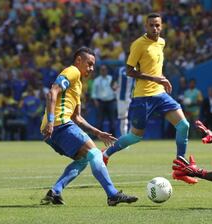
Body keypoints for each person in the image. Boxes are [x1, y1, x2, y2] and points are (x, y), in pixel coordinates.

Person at [102, 13, 196, 184]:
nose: (155, 28)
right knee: (136, 136)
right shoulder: (138, 44)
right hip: (142, 97)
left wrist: (162, 79)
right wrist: (155, 78)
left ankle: (180, 168)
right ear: (146, 26)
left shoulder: (162, 42)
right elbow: (129, 71)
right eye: (151, 25)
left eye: (157, 25)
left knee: (183, 125)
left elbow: (154, 67)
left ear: (162, 26)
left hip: (160, 94)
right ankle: (105, 154)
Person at [40, 47, 138, 206]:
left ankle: (55, 191)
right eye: (89, 64)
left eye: (93, 65)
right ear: (78, 60)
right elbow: (52, 93)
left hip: (54, 130)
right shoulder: (72, 71)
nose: (92, 69)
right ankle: (112, 194)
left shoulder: (77, 84)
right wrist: (51, 121)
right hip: (60, 124)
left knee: (83, 160)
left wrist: (98, 133)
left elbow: (77, 118)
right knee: (95, 153)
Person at [91, 65, 116, 136]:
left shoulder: (111, 79)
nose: (103, 71)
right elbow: (94, 93)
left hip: (111, 101)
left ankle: (112, 136)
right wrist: (95, 101)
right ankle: (99, 136)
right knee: (99, 120)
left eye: (104, 70)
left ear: (107, 71)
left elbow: (115, 90)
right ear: (100, 71)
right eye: (102, 70)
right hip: (100, 102)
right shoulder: (96, 80)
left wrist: (115, 99)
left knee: (112, 120)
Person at [113, 65, 134, 136]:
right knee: (123, 119)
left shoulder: (137, 70)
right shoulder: (119, 70)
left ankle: (131, 137)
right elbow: (113, 83)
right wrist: (114, 87)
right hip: (121, 98)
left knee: (134, 118)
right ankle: (124, 137)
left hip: (134, 97)